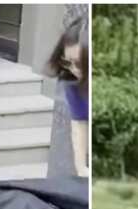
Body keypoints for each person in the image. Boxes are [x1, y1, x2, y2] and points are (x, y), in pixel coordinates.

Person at [47, 17, 89, 178]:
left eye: (78, 63)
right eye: (68, 62)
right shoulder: (71, 80)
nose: (74, 69)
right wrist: (81, 169)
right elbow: (79, 124)